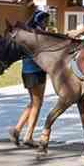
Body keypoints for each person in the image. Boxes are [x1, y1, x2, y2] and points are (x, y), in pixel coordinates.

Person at [11, 8, 52, 146]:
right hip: (36, 72)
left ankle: (17, 129)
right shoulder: (38, 35)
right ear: (39, 21)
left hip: (26, 72)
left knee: (33, 102)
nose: (47, 23)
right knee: (37, 104)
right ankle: (28, 136)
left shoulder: (27, 34)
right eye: (45, 20)